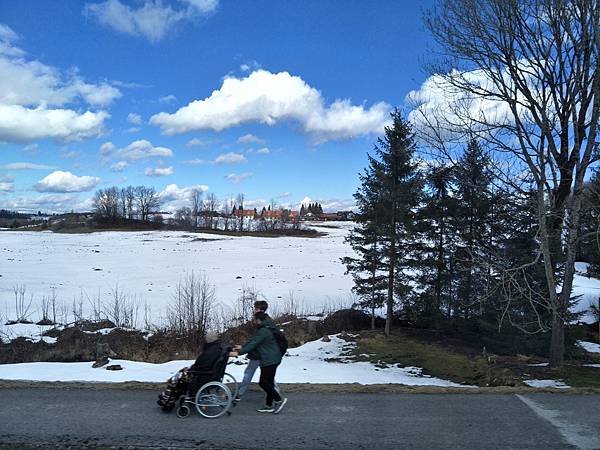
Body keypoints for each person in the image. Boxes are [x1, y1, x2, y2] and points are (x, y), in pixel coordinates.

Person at [230, 312, 287, 414]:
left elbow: (253, 344)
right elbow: (253, 340)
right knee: (268, 382)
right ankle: (268, 405)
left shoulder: (263, 330)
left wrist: (238, 352)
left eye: (254, 319)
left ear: (258, 320)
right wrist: (242, 347)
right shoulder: (267, 327)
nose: (253, 321)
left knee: (263, 382)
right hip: (274, 358)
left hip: (269, 359)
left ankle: (279, 399)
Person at [235, 300, 280, 401]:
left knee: (250, 373)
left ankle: (239, 393)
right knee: (268, 376)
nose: (254, 310)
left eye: (255, 308)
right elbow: (254, 339)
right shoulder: (265, 320)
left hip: (260, 353)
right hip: (263, 353)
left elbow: (256, 341)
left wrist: (240, 351)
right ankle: (276, 392)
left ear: (261, 309)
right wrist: (243, 347)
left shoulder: (263, 322)